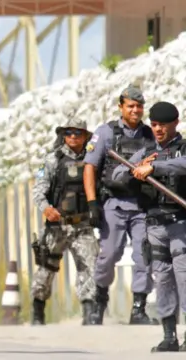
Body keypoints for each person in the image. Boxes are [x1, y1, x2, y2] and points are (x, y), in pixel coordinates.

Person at [111, 101, 186, 352]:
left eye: (162, 125)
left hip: (180, 223)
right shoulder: (146, 151)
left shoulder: (182, 149)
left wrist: (155, 167)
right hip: (154, 224)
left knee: (184, 278)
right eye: (153, 125)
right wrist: (134, 171)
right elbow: (116, 175)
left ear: (175, 124)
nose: (158, 130)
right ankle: (169, 336)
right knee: (163, 279)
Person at [82, 86, 155, 325]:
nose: (135, 110)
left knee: (144, 255)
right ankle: (99, 300)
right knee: (109, 255)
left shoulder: (149, 135)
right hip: (113, 204)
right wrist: (92, 203)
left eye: (139, 106)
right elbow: (90, 167)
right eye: (131, 106)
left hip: (142, 206)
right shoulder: (106, 133)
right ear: (120, 107)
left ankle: (138, 309)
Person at [30, 117, 99, 326]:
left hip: (82, 225)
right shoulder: (52, 159)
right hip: (57, 226)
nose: (72, 137)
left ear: (85, 136)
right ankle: (37, 309)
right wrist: (47, 209)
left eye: (77, 133)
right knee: (46, 268)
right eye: (68, 133)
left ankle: (89, 313)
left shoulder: (92, 158)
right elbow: (38, 190)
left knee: (89, 267)